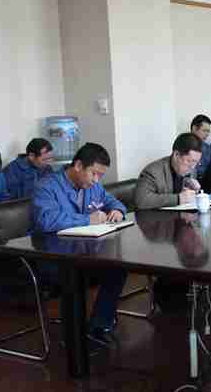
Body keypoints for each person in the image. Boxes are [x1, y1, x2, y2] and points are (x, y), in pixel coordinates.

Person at [32, 143, 127, 342]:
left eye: (100, 175)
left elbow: (112, 201)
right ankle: (73, 337)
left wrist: (118, 210)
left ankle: (99, 325)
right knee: (75, 272)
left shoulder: (93, 186)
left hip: (83, 251)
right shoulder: (47, 186)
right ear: (78, 166)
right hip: (53, 256)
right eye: (94, 173)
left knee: (117, 268)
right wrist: (86, 219)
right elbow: (46, 220)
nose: (96, 180)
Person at [134, 133, 202, 210]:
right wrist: (178, 198)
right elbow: (142, 200)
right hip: (156, 217)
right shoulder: (152, 172)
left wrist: (193, 189)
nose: (192, 167)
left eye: (196, 162)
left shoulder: (190, 168)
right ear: (176, 155)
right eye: (189, 161)